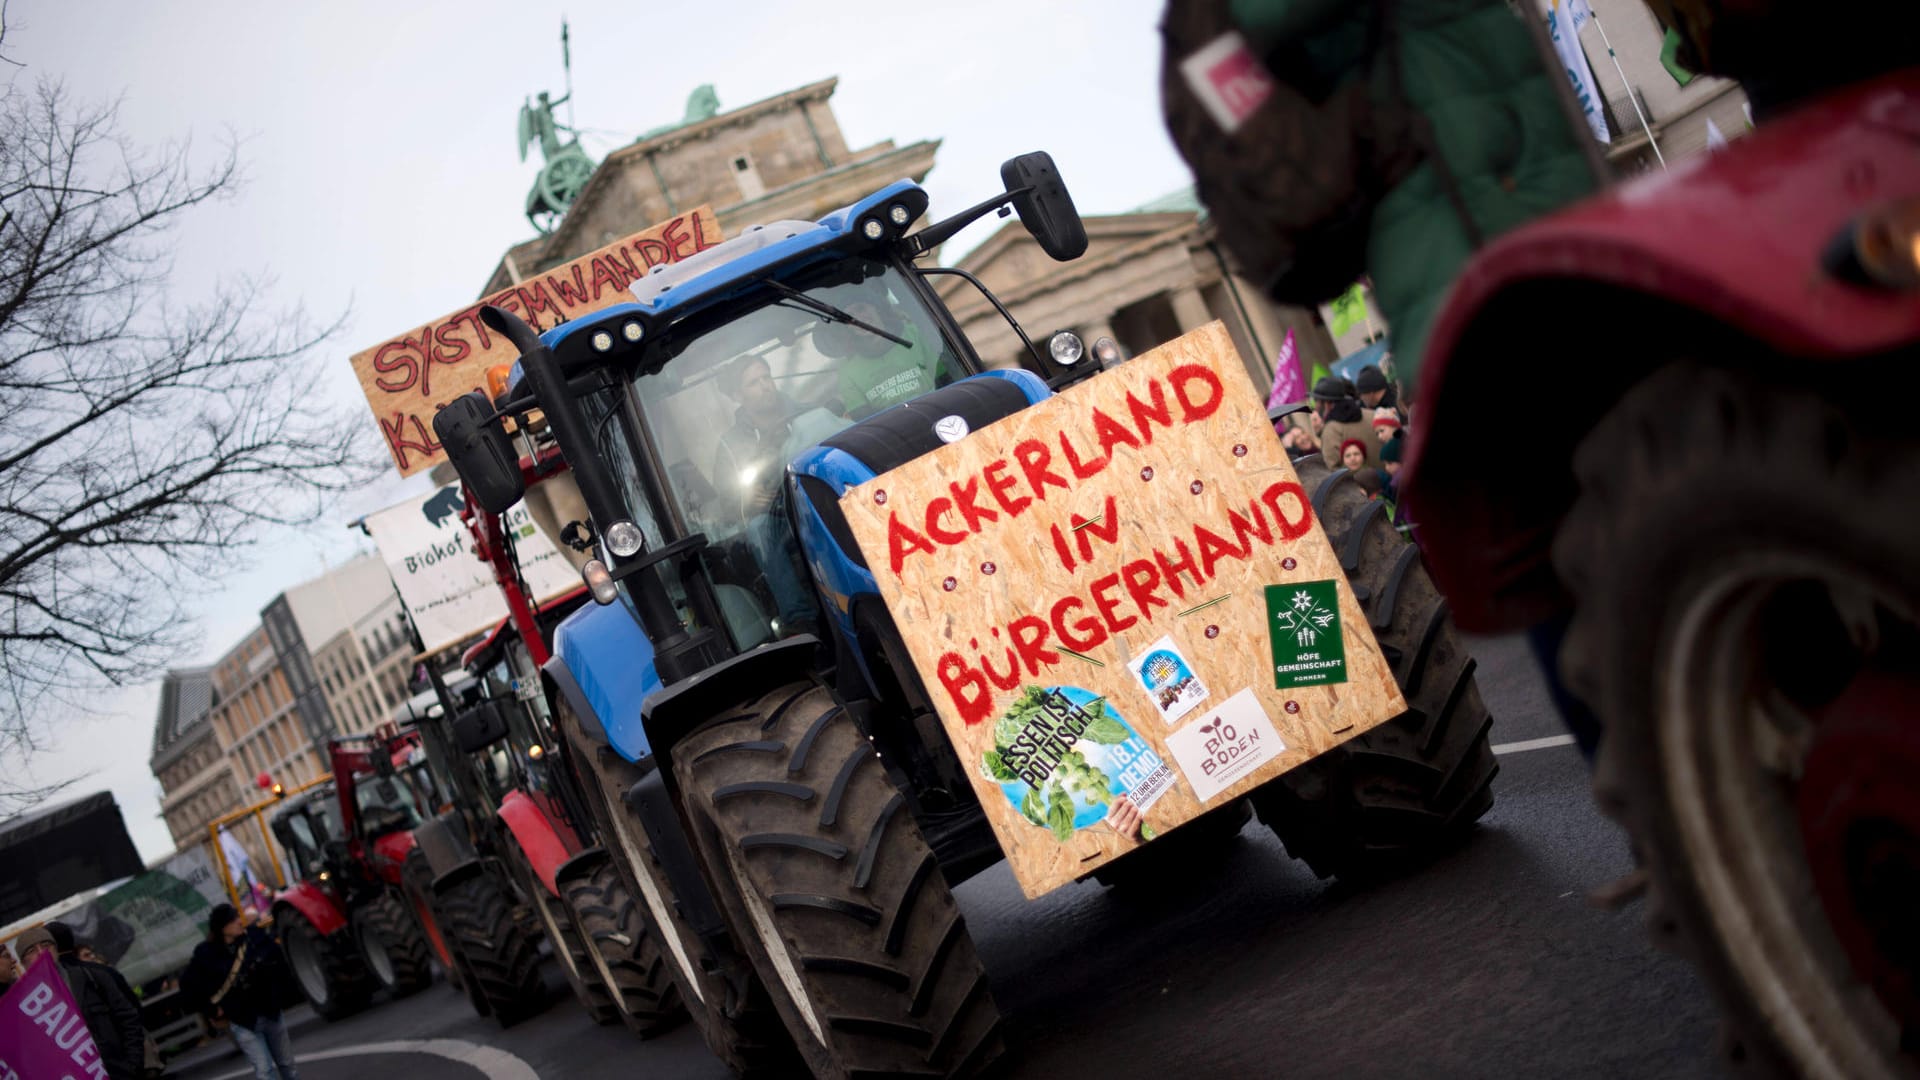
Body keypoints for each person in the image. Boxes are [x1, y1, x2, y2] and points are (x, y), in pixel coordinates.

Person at [711, 354, 849, 638]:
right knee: (758, 528)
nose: (765, 386)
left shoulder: (807, 412)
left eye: (767, 377)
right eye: (754, 383)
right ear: (738, 394)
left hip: (820, 496)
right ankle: (800, 621)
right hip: (781, 516)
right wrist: (746, 502)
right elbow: (727, 503)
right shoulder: (730, 444)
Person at [183, 905, 300, 1080]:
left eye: (237, 917)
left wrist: (280, 994)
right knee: (264, 1071)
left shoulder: (255, 937)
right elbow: (189, 987)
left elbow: (280, 963)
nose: (239, 921)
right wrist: (212, 1010)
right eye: (233, 919)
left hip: (270, 1012)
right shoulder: (206, 954)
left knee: (287, 1065)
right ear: (222, 927)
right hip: (243, 1020)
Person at [16, 925, 146, 1080]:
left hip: (117, 1072)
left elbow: (128, 1018)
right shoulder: (24, 1006)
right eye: (31, 951)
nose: (41, 952)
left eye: (46, 945)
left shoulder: (92, 977)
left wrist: (132, 1065)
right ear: (23, 962)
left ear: (56, 949)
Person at [828, 298, 941, 418]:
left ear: (876, 307)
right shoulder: (847, 373)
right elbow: (865, 421)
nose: (857, 319)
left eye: (861, 308)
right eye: (848, 316)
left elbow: (944, 378)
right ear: (847, 327)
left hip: (939, 411)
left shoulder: (914, 333)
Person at [1312, 376, 1377, 470]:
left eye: (1317, 401)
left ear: (1327, 404)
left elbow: (1334, 470)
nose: (1316, 407)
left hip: (1360, 484)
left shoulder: (1330, 430)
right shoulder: (1372, 414)